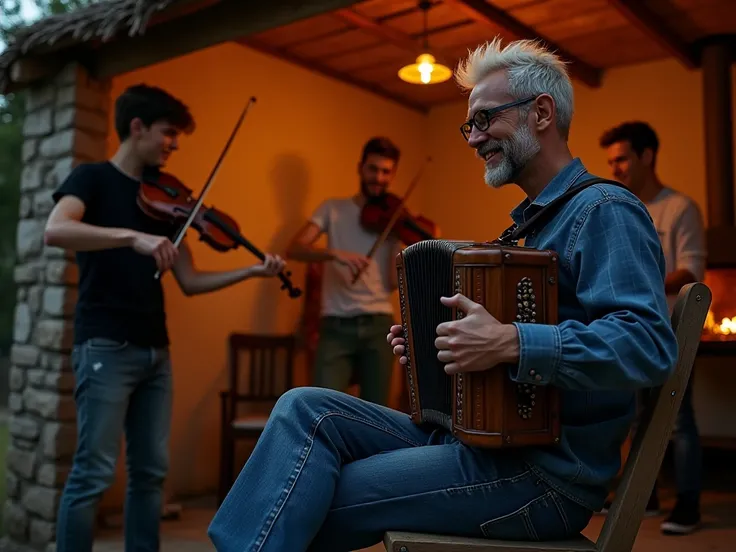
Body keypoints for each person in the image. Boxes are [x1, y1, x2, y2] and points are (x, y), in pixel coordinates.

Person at [207, 38, 678, 552]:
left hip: (540, 478)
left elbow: (647, 345)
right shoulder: (531, 228)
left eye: (484, 119)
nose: (473, 138)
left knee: (300, 493)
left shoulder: (603, 209)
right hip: (482, 443)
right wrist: (444, 351)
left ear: (541, 113)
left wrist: (510, 344)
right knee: (303, 408)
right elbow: (509, 355)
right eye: (468, 125)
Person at [44, 83, 287, 552]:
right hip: (105, 347)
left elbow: (191, 282)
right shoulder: (91, 178)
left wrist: (251, 270)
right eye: (168, 134)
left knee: (151, 473)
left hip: (155, 351)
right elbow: (56, 230)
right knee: (93, 473)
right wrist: (130, 237)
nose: (173, 145)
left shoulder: (167, 199)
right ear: (137, 128)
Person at [599, 121, 706, 535]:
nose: (616, 168)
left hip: (675, 328)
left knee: (679, 417)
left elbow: (691, 272)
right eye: (610, 162)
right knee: (638, 415)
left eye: (622, 158)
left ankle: (689, 505)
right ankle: (647, 497)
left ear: (647, 156)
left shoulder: (680, 208)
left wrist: (637, 280)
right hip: (633, 328)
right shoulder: (621, 207)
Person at [285, 137, 405, 406]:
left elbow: (389, 283)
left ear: (393, 174)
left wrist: (397, 242)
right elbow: (294, 248)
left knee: (378, 412)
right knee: (324, 408)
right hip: (336, 325)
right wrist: (334, 254)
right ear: (360, 168)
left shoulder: (394, 219)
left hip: (379, 325)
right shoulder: (333, 209)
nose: (379, 178)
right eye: (373, 169)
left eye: (386, 171)